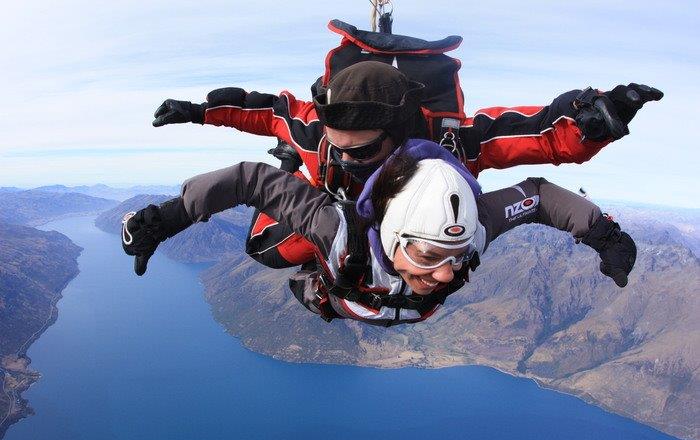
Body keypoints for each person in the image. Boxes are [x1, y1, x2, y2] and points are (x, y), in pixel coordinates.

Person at [150, 61, 661, 270]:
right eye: (337, 146)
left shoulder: (453, 145)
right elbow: (264, 110)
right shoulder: (317, 138)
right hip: (329, 217)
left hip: (412, 233)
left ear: (400, 136)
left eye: (363, 151)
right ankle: (321, 270)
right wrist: (199, 112)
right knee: (265, 247)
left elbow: (539, 138)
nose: (346, 159)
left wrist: (595, 119)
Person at [122, 139, 636, 326]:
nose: (445, 272)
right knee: (264, 248)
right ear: (394, 239)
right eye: (432, 254)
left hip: (358, 295)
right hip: (332, 274)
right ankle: (305, 164)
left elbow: (539, 197)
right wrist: (164, 220)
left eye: (455, 257)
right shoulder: (335, 228)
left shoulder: (475, 229)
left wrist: (602, 233)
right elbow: (247, 181)